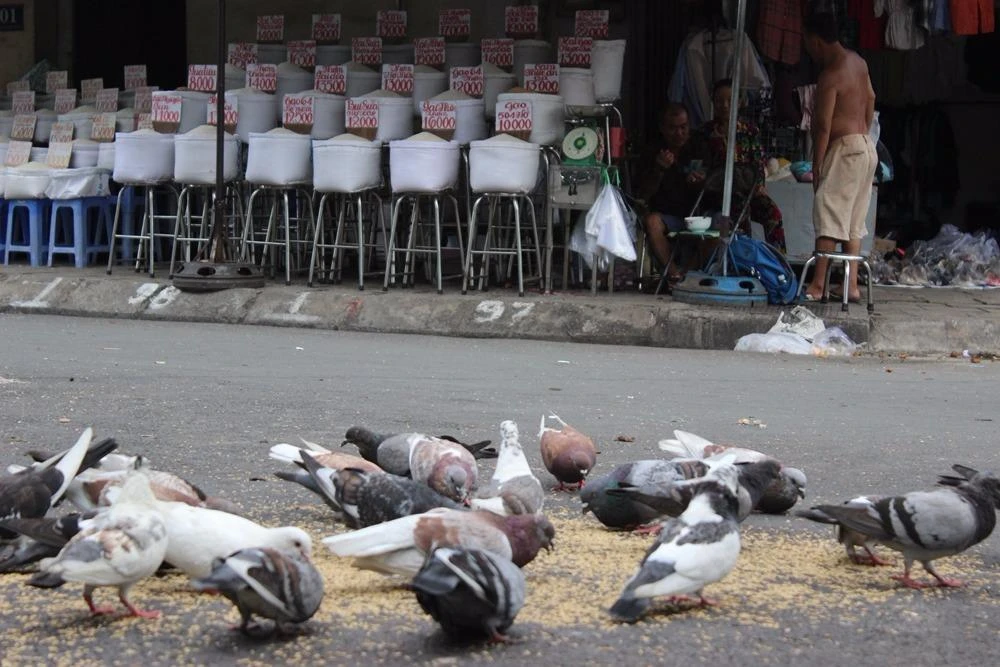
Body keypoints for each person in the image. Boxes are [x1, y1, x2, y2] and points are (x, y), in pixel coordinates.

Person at [802, 11, 878, 303]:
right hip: (865, 147)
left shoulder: (830, 75)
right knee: (853, 220)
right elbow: (871, 98)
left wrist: (817, 166)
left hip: (845, 149)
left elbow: (822, 126)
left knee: (828, 212)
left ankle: (818, 284)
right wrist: (862, 135)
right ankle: (852, 285)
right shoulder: (859, 62)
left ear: (816, 41)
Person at [699, 79, 786, 252]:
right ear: (713, 102)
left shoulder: (749, 130)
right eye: (719, 101)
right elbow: (703, 166)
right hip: (718, 195)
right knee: (739, 213)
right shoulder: (705, 133)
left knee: (773, 213)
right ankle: (743, 258)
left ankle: (776, 259)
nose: (725, 105)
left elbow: (758, 161)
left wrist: (759, 185)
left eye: (730, 100)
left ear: (739, 102)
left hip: (748, 190)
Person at [638, 103, 709, 279]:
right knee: (652, 221)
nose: (679, 133)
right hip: (668, 215)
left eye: (683, 127)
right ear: (662, 128)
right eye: (673, 128)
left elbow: (713, 180)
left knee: (722, 224)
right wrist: (659, 170)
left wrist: (701, 180)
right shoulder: (653, 150)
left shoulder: (699, 146)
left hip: (699, 215)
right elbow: (643, 193)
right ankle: (674, 274)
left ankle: (688, 274)